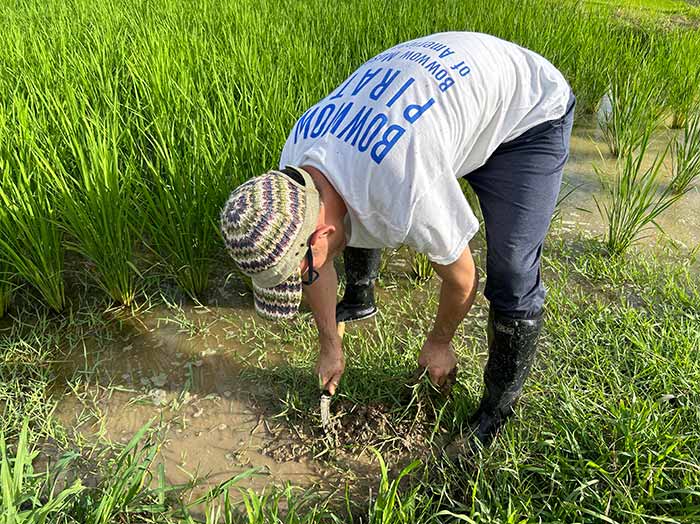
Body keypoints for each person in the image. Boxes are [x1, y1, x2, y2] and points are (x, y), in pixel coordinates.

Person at [220, 31, 575, 446]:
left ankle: (495, 415)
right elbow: (322, 258)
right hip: (450, 106)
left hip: (527, 114)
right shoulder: (292, 171)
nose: (302, 278)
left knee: (512, 271)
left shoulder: (403, 183)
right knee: (358, 207)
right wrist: (330, 345)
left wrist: (439, 342)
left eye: (299, 273)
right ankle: (361, 298)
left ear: (323, 232)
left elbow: (462, 278)